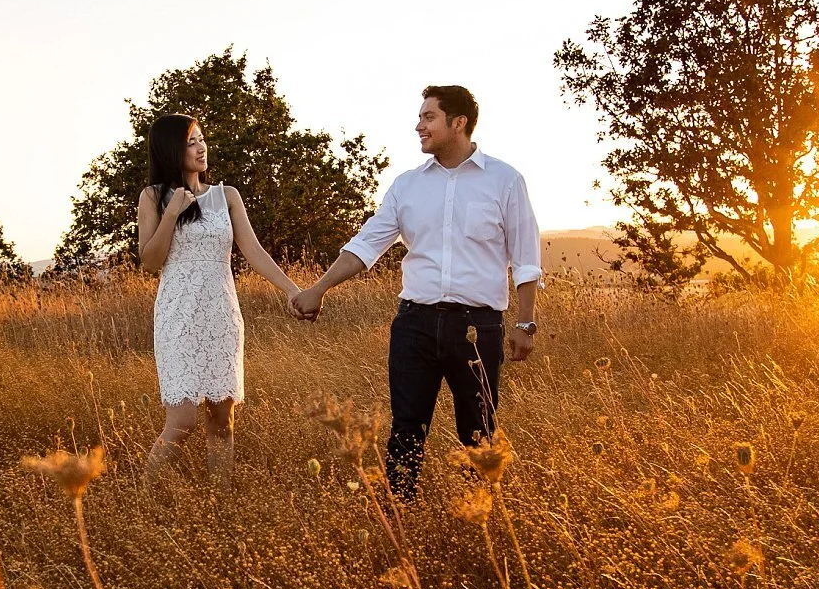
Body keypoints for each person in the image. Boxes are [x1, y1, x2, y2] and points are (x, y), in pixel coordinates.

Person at [290, 86, 541, 494]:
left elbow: (526, 257)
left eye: (429, 117)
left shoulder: (505, 180)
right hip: (414, 324)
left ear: (458, 123)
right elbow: (367, 243)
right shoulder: (407, 185)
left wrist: (526, 322)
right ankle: (400, 518)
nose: (419, 126)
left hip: (477, 328)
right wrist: (319, 288)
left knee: (478, 432)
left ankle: (476, 521)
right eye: (421, 117)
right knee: (406, 429)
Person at [139, 113, 305, 484]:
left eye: (201, 139)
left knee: (221, 419)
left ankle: (221, 504)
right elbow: (150, 262)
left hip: (221, 313)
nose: (201, 148)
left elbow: (254, 251)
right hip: (177, 315)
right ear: (170, 151)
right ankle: (142, 497)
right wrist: (172, 214)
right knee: (182, 420)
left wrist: (292, 288)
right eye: (191, 142)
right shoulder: (151, 197)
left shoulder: (226, 196)